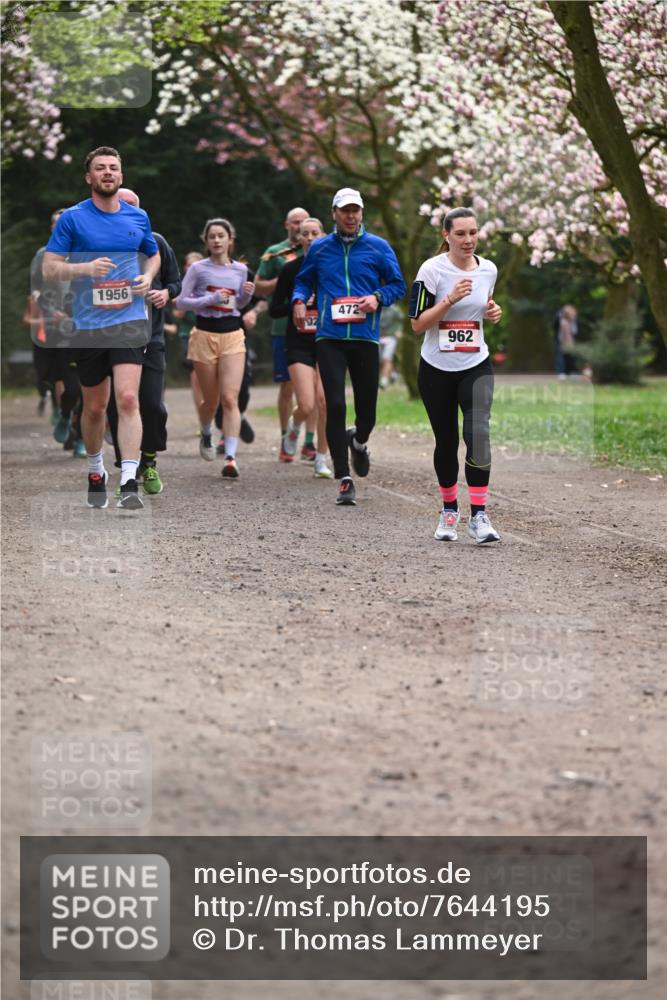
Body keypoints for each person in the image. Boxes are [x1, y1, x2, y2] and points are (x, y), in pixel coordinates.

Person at [43, 146, 161, 510]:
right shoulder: (73, 219)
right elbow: (50, 267)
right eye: (100, 168)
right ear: (89, 177)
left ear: (121, 176)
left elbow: (153, 253)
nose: (107, 172)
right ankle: (96, 470)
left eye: (113, 167)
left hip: (129, 319)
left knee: (128, 398)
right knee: (95, 408)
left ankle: (129, 480)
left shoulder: (138, 216)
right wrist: (85, 268)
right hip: (89, 324)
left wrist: (147, 276)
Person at [292, 187, 406, 505]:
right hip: (329, 337)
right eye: (345, 210)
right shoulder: (319, 248)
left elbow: (398, 284)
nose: (351, 216)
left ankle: (358, 440)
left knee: (367, 410)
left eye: (355, 210)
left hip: (365, 337)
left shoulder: (378, 247)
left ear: (361, 213)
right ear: (334, 214)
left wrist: (377, 297)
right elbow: (304, 280)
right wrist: (299, 300)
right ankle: (344, 478)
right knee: (335, 404)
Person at [409, 206, 502, 543]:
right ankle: (449, 511)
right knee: (446, 441)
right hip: (436, 368)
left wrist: (493, 311)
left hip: (476, 364)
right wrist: (448, 299)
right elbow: (417, 324)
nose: (468, 240)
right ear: (446, 235)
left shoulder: (488, 269)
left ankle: (479, 516)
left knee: (478, 434)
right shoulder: (430, 270)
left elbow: (483, 306)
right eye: (460, 233)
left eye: (473, 233)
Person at [106, 188, 182, 495]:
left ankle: (149, 459)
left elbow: (175, 282)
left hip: (151, 336)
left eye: (133, 205)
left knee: (152, 404)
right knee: (120, 403)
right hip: (114, 336)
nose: (127, 209)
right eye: (122, 204)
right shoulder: (102, 245)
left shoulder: (157, 242)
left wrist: (165, 293)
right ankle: (128, 468)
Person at [174, 217, 254, 478]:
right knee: (211, 401)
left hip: (232, 335)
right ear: (206, 241)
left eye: (221, 236)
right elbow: (181, 302)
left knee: (230, 398)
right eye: (212, 237)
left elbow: (237, 304)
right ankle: (207, 430)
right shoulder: (198, 269)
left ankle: (230, 457)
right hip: (204, 334)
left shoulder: (240, 270)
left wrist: (246, 295)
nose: (217, 240)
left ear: (230, 240)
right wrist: (210, 299)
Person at [270, 217, 333, 479]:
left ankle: (321, 458)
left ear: (323, 236)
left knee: (325, 402)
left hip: (328, 339)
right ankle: (294, 426)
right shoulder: (290, 269)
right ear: (299, 239)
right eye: (304, 234)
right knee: (306, 405)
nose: (309, 238)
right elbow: (274, 309)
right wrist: (296, 306)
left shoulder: (333, 267)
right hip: (298, 342)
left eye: (314, 233)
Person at [256, 206, 316, 462]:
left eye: (303, 222)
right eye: (295, 223)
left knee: (316, 390)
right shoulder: (275, 253)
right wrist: (284, 279)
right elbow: (259, 286)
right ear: (287, 225)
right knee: (287, 386)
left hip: (317, 331)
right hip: (285, 329)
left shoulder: (322, 253)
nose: (299, 226)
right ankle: (285, 437)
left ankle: (310, 443)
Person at [554, 303, 578, 379]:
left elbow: (575, 331)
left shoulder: (573, 320)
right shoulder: (561, 319)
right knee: (560, 356)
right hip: (561, 340)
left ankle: (570, 372)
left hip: (570, 340)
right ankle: (561, 372)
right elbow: (556, 326)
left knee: (570, 356)